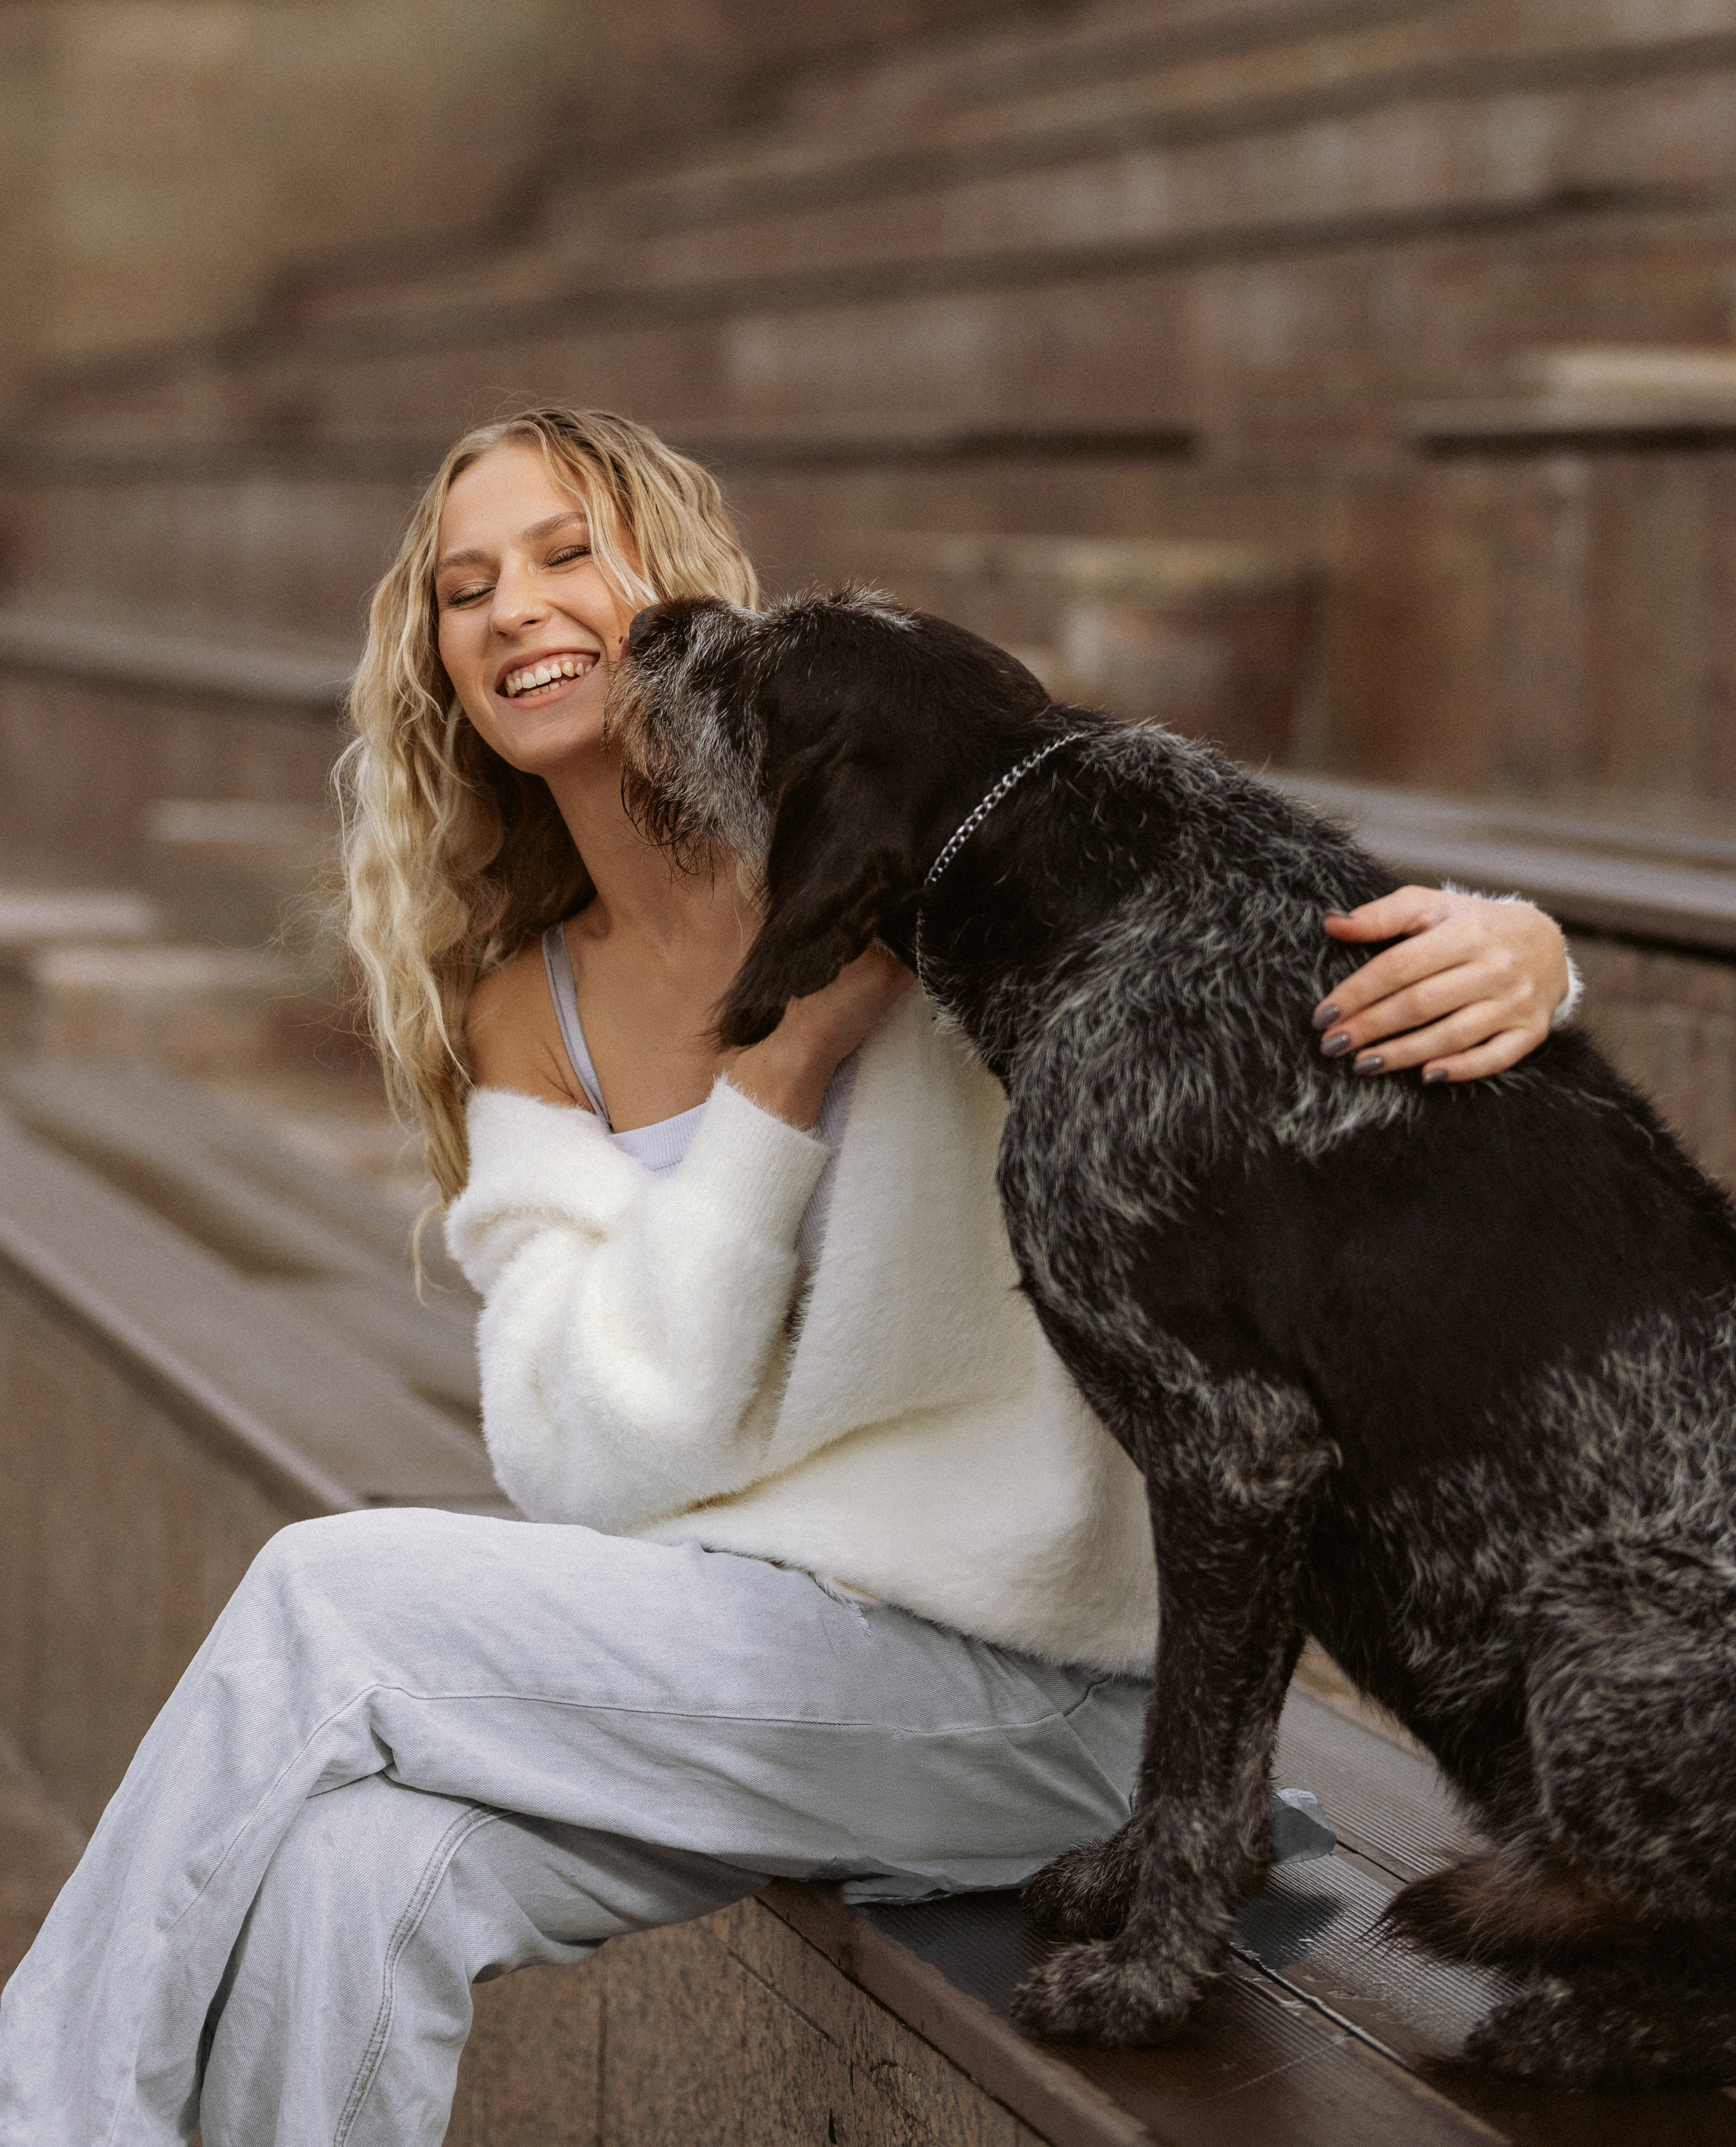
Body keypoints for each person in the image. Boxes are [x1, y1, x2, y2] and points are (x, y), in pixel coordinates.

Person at [0, 407, 1577, 2146]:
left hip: (1042, 1700)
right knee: (369, 1868)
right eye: (464, 588)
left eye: (564, 552)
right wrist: (781, 1076)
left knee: (322, 1599)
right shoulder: (530, 1010)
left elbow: (1246, 930)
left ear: (673, 584)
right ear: (437, 661)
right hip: (762, 1660)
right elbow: (583, 1463)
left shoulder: (910, 837)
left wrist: (1521, 955)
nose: (514, 606)